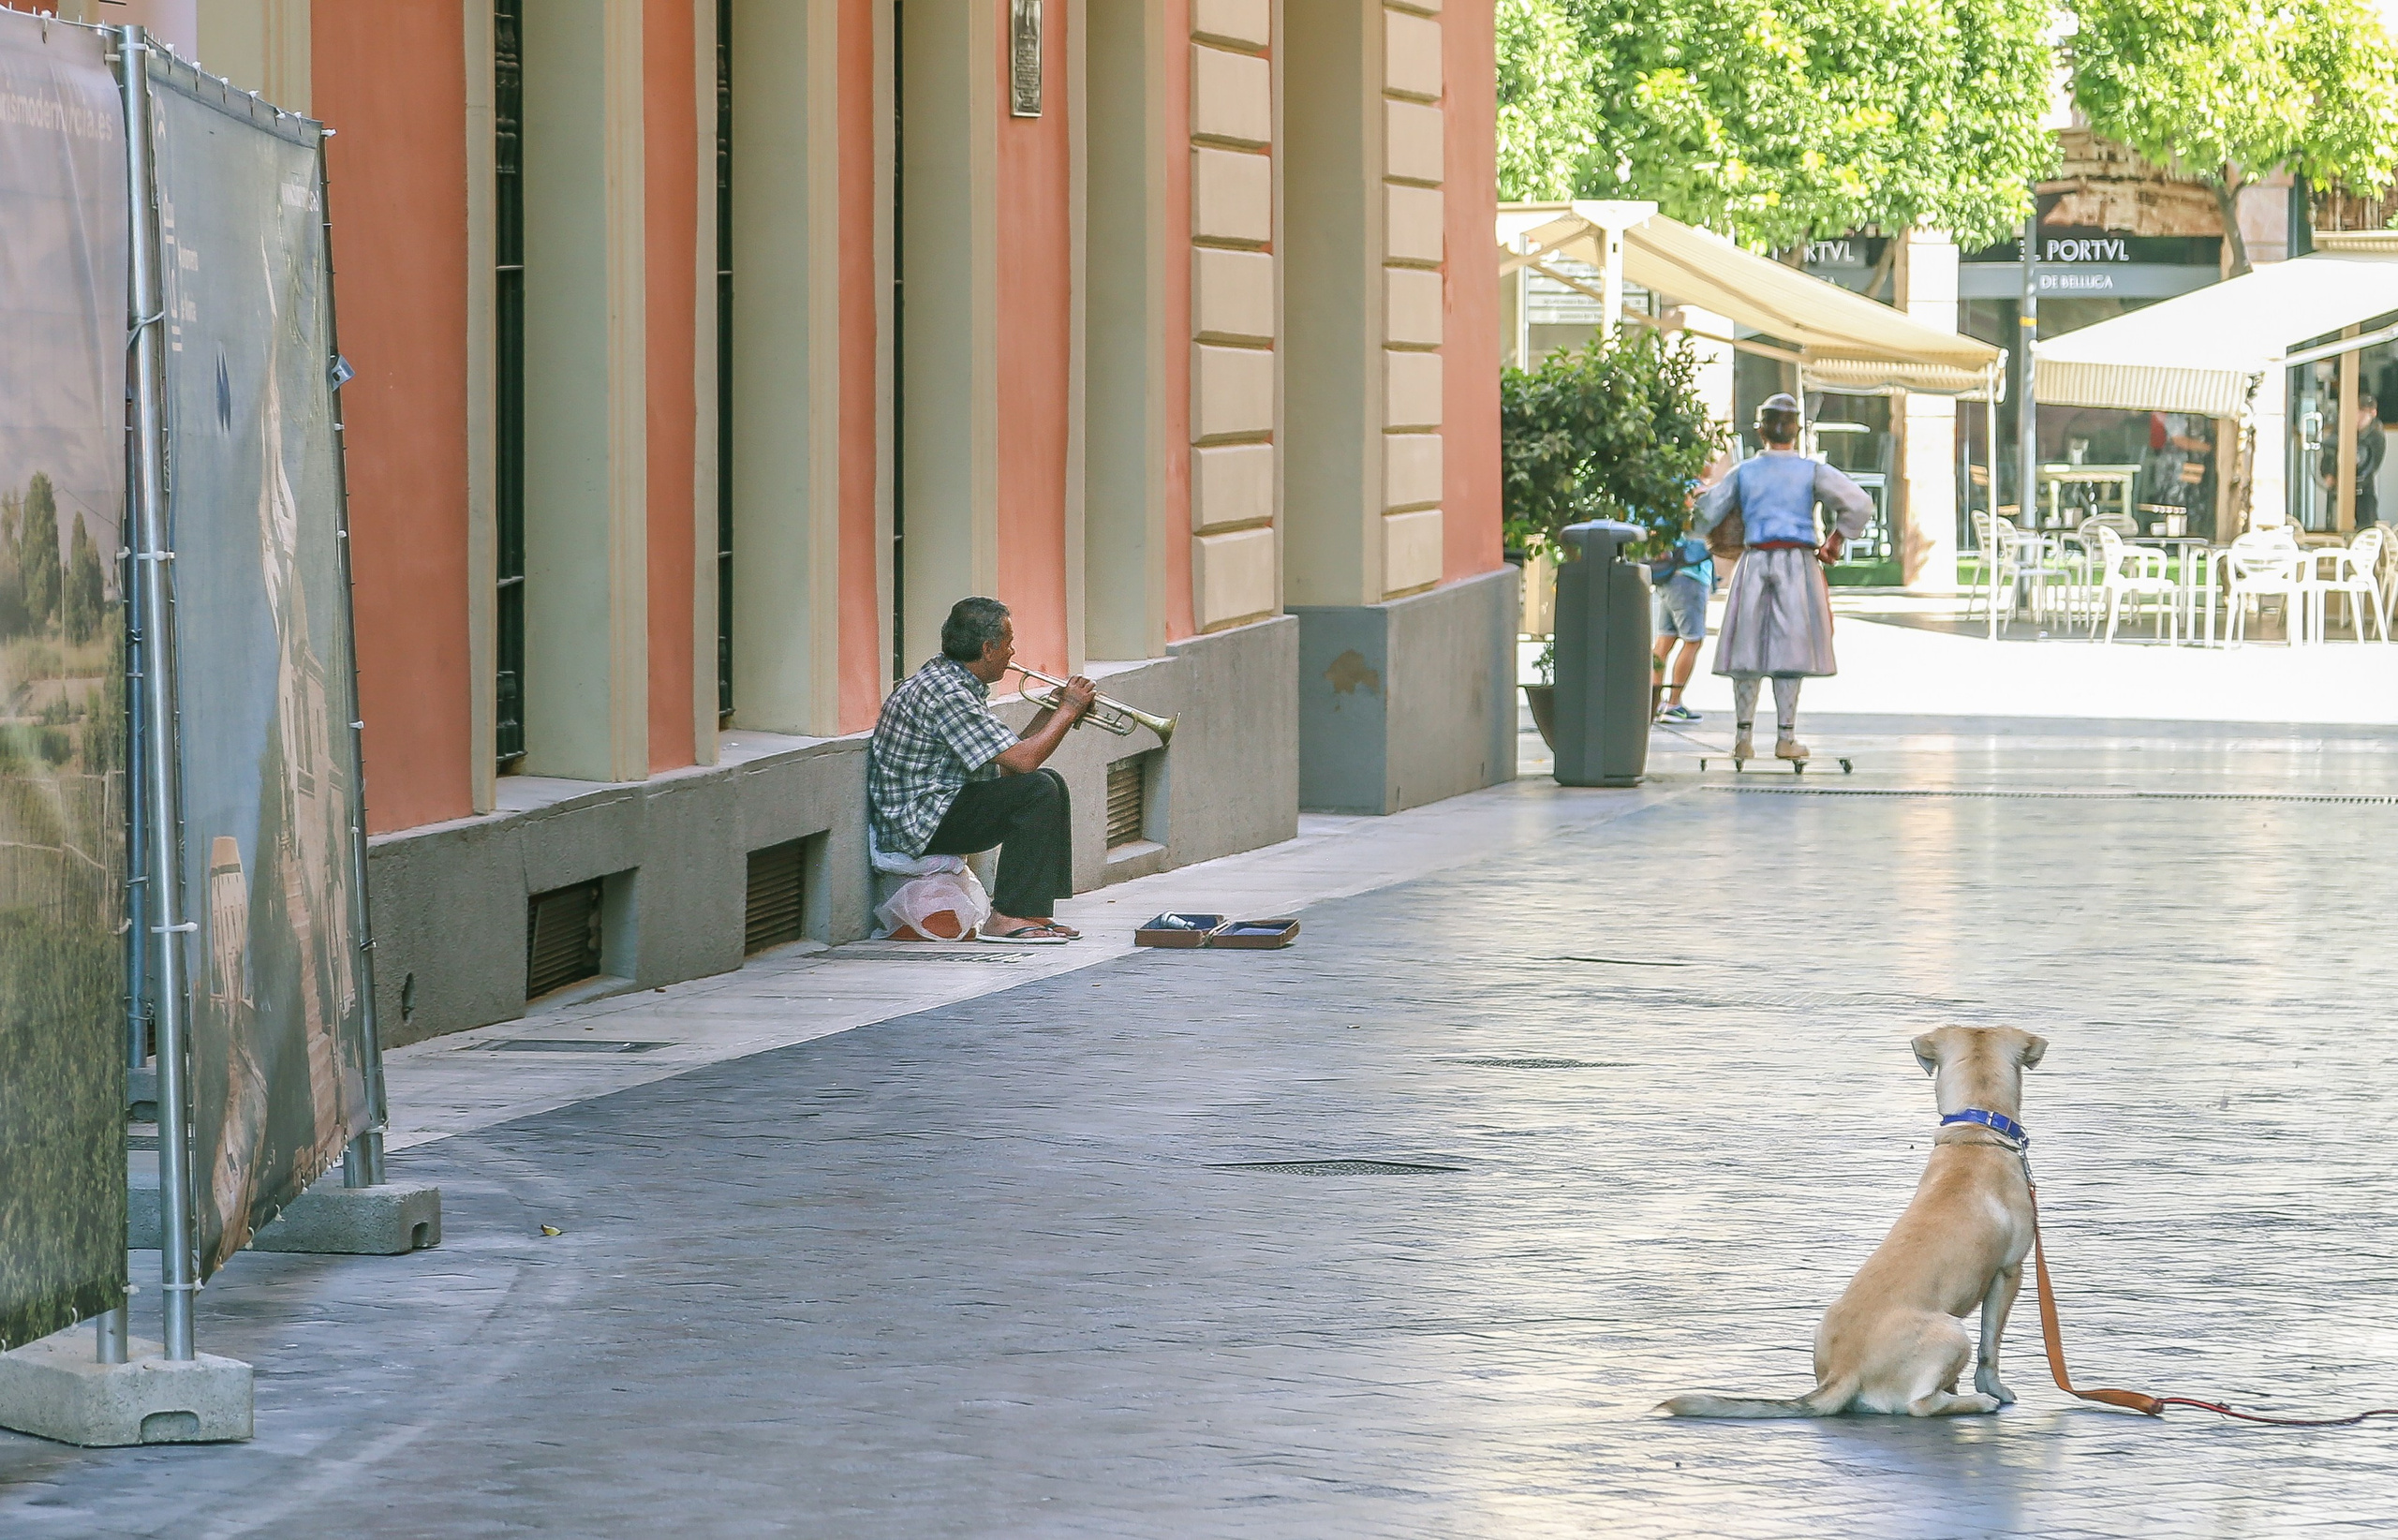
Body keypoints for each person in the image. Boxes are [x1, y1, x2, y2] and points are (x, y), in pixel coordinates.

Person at [867, 597, 1095, 943]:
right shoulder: (946, 693)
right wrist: (1068, 711)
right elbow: (1024, 762)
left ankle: (1030, 911)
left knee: (1049, 783)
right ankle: (1005, 917)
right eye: (1008, 644)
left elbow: (1011, 762)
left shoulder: (953, 682)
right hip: (917, 827)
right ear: (988, 649)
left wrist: (1052, 711)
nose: (1013, 653)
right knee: (1038, 789)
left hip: (938, 809)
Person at [1690, 393, 1873, 763]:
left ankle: (1743, 738)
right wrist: (1836, 538)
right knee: (1790, 651)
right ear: (1797, 430)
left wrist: (1696, 505)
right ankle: (1785, 737)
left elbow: (1706, 514)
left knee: (1748, 651)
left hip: (1755, 561)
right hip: (1796, 563)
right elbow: (1859, 503)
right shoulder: (1812, 470)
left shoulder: (1744, 472)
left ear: (1760, 431)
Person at [1648, 529, 1713, 722]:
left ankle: (1654, 703)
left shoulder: (1662, 506)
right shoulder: (1690, 510)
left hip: (1669, 577)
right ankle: (1673, 704)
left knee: (1663, 642)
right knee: (1692, 642)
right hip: (1690, 576)